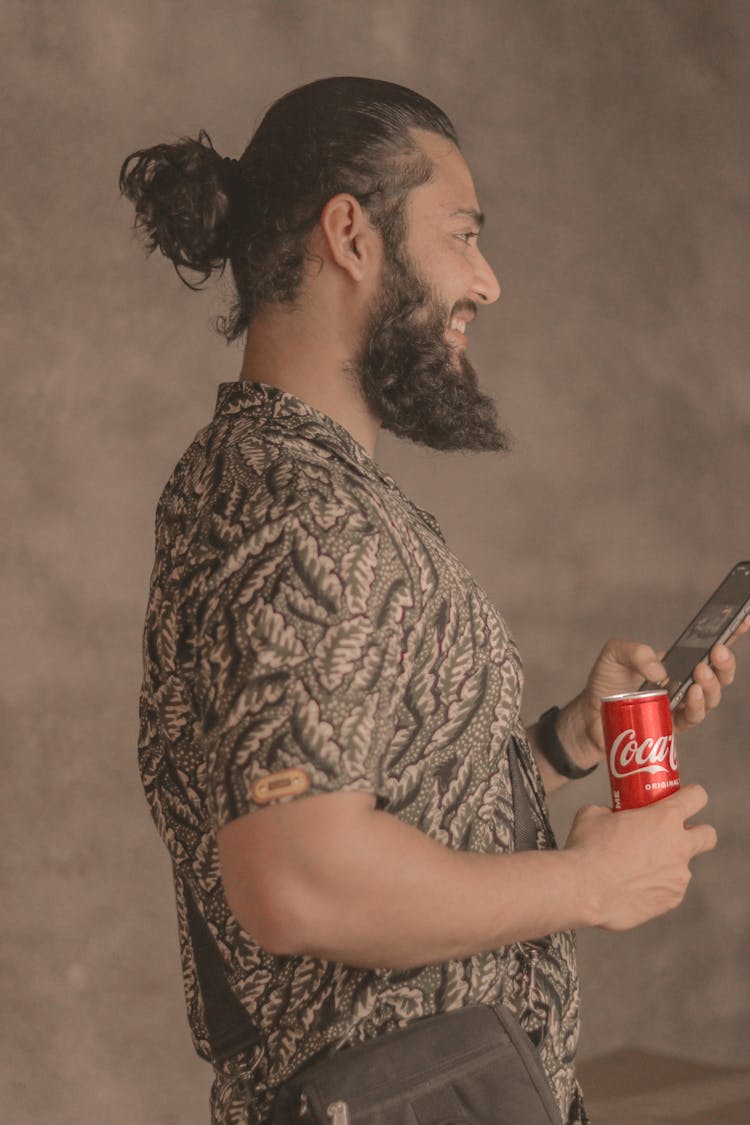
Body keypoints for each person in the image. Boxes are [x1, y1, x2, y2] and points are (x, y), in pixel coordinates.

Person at [121, 77, 745, 1125]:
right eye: (462, 234)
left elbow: (356, 797)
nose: (487, 282)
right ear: (351, 237)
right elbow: (302, 881)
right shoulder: (296, 508)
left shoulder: (296, 484)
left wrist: (555, 747)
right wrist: (591, 886)